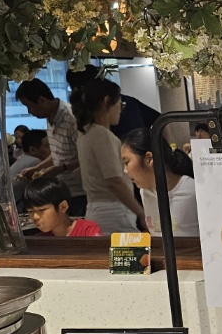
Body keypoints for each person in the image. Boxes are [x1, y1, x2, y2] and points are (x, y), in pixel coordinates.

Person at [71, 77, 147, 235]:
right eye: (120, 104)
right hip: (113, 212)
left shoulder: (86, 132)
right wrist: (140, 212)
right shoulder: (102, 135)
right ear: (106, 101)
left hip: (96, 209)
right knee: (134, 250)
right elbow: (114, 181)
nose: (120, 109)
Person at [14, 78, 86, 216]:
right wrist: (37, 168)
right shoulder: (50, 118)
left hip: (80, 191)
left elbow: (85, 156)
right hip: (64, 190)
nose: (29, 111)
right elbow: (59, 153)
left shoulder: (71, 118)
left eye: (29, 106)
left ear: (41, 100)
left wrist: (60, 168)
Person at [121, 128, 199, 237]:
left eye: (127, 162)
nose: (125, 170)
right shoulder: (145, 192)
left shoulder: (193, 191)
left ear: (149, 158)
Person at [23, 177, 102, 237]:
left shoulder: (87, 231)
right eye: (30, 211)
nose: (35, 217)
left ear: (63, 207)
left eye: (41, 210)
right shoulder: (40, 240)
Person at [10, 130, 50, 211]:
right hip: (19, 210)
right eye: (47, 146)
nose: (51, 150)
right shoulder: (35, 162)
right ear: (32, 150)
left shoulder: (24, 159)